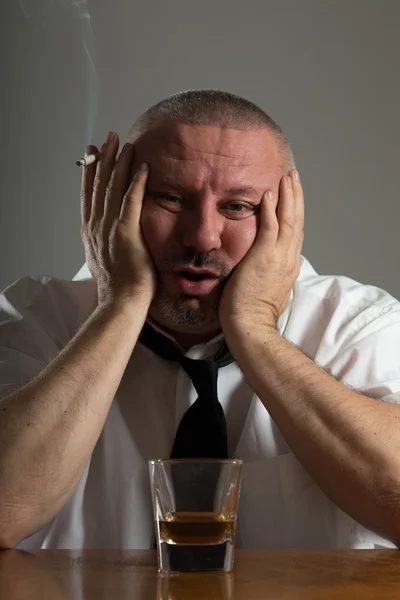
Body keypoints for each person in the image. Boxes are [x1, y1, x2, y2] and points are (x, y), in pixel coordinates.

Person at [1, 90, 400, 551]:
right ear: (109, 200)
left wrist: (253, 328)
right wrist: (121, 303)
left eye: (238, 206)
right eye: (170, 198)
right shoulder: (31, 316)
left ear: (286, 215)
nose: (202, 237)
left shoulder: (358, 326)